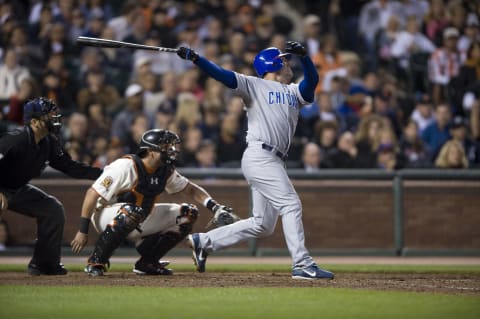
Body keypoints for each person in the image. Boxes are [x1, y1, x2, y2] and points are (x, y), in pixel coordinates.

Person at [176, 41, 334, 279]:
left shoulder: (293, 91)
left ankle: (204, 241)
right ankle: (301, 263)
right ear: (272, 63)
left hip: (273, 160)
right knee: (291, 204)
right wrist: (197, 59)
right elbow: (222, 75)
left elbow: (311, 83)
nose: (287, 62)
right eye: (283, 59)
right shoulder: (253, 85)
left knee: (263, 224)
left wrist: (306, 59)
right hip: (260, 156)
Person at [70, 129, 238, 276]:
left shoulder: (164, 169)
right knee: (132, 211)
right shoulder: (125, 166)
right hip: (104, 214)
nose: (171, 150)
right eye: (166, 147)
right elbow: (91, 194)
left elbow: (191, 189)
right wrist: (82, 230)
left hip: (138, 215)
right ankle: (96, 261)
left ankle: (147, 263)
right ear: (150, 151)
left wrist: (214, 207)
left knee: (188, 213)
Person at [0, 97, 102, 275]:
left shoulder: (49, 142)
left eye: (54, 114)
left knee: (52, 209)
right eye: (49, 115)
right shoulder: (14, 141)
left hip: (16, 189)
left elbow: (71, 167)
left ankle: (44, 263)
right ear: (34, 122)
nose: (55, 118)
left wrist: (105, 174)